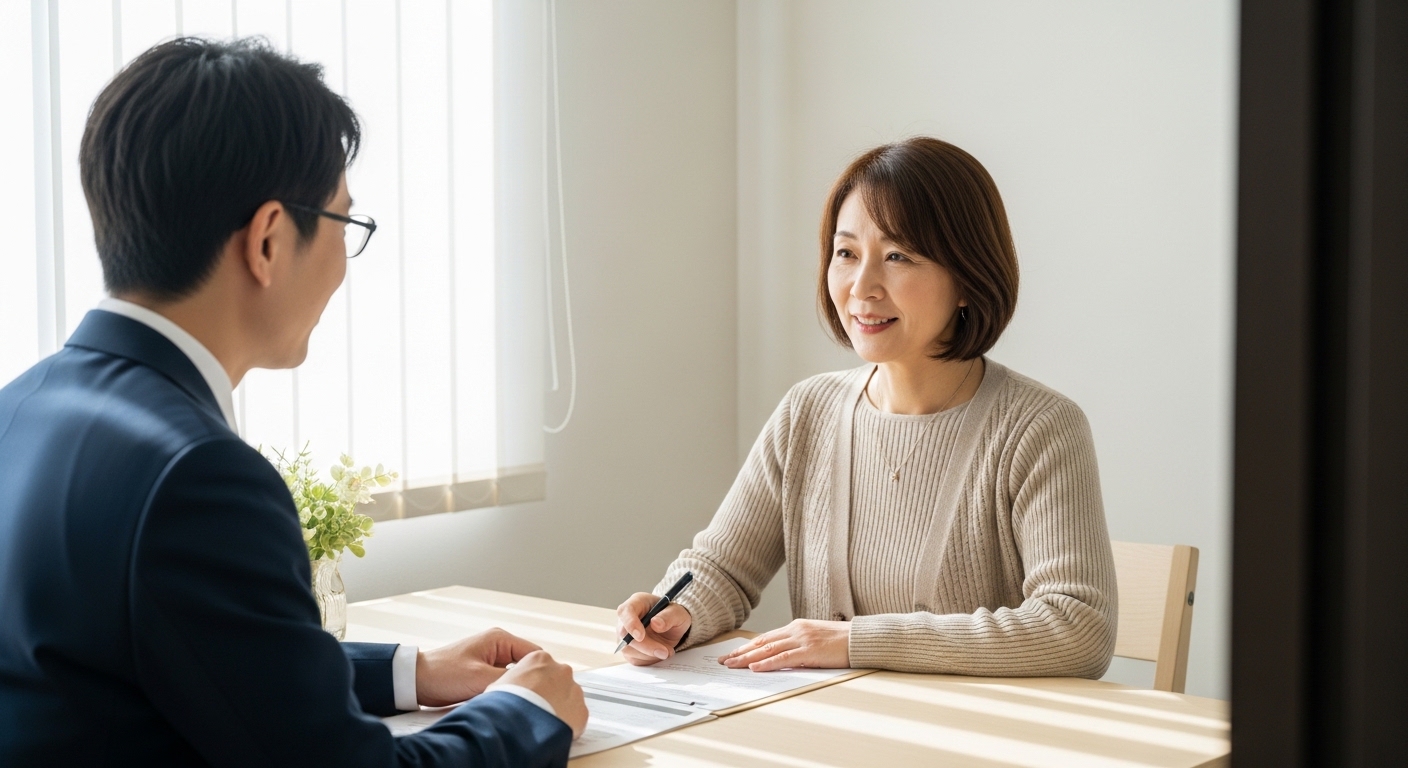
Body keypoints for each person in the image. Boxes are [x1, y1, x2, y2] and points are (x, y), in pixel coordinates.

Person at [0, 38, 585, 766]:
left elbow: (183, 655)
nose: (344, 263)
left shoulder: (20, 412)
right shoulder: (197, 477)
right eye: (344, 223)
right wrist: (527, 712)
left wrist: (409, 671)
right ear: (269, 240)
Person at [616, 137, 1117, 678]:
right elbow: (723, 569)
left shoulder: (1040, 428)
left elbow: (1078, 628)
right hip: (829, 719)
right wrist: (675, 614)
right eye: (847, 254)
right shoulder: (806, 412)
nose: (862, 287)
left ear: (968, 277)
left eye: (898, 256)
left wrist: (857, 641)